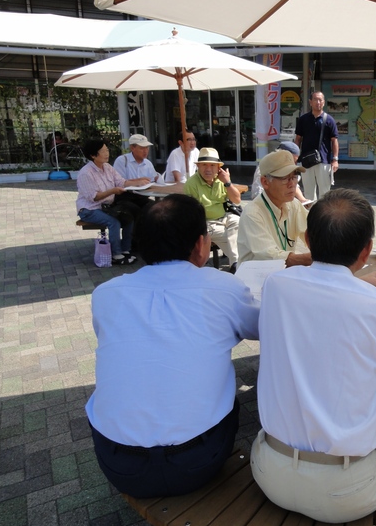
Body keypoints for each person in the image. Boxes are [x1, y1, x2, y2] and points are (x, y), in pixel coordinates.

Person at [250, 188, 376, 523]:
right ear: (367, 250)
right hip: (347, 490)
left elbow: (322, 292)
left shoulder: (276, 285)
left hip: (269, 470)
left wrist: (357, 283)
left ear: (308, 239)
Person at [85, 194, 259, 498]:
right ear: (201, 245)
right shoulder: (223, 287)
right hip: (198, 460)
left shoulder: (106, 294)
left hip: (118, 464)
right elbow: (259, 328)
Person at [76, 138, 149, 265]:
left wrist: (137, 182)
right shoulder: (86, 173)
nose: (107, 153)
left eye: (107, 150)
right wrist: (113, 191)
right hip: (90, 209)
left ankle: (126, 250)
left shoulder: (108, 167)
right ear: (93, 155)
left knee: (129, 218)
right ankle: (116, 254)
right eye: (103, 151)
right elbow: (94, 197)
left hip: (106, 207)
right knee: (114, 222)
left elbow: (121, 182)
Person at [237, 149, 310, 267]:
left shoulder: (294, 204)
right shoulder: (252, 213)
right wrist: (313, 258)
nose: (292, 184)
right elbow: (271, 257)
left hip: (283, 273)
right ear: (265, 182)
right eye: (285, 178)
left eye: (294, 177)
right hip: (256, 275)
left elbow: (313, 232)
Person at [183, 147, 241, 268]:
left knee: (240, 223)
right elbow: (191, 213)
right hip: (206, 222)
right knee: (233, 237)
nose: (208, 169)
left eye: (212, 165)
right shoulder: (191, 184)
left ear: (218, 168)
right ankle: (237, 263)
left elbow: (237, 200)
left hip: (225, 217)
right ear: (198, 166)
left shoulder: (221, 179)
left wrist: (227, 182)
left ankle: (237, 263)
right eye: (204, 165)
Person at [295, 91, 339, 200]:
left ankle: (323, 211)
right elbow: (298, 139)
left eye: (320, 100)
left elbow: (334, 140)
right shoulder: (303, 119)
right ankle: (311, 211)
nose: (318, 102)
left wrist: (335, 159)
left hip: (323, 160)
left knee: (325, 193)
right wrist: (294, 156)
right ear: (310, 102)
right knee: (308, 192)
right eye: (315, 99)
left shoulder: (329, 120)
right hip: (306, 160)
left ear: (324, 102)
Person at [113, 134, 163, 208]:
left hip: (143, 197)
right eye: (142, 148)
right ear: (132, 148)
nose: (145, 151)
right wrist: (137, 182)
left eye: (147, 148)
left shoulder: (148, 163)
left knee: (157, 208)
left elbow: (152, 181)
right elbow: (118, 183)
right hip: (125, 197)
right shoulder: (122, 161)